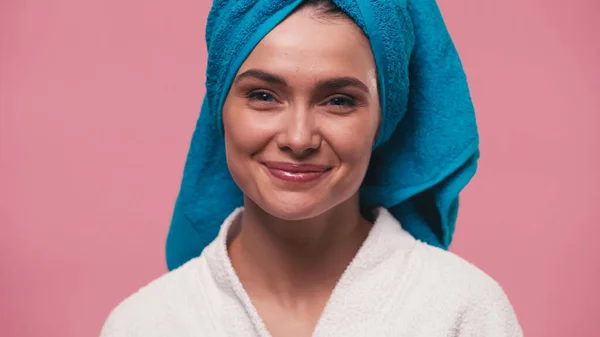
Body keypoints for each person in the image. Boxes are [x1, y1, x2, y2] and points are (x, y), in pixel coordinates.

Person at [100, 0, 522, 336]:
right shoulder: (143, 324)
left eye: (338, 100)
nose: (299, 138)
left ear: (384, 120)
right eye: (264, 95)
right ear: (220, 109)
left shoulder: (464, 312)